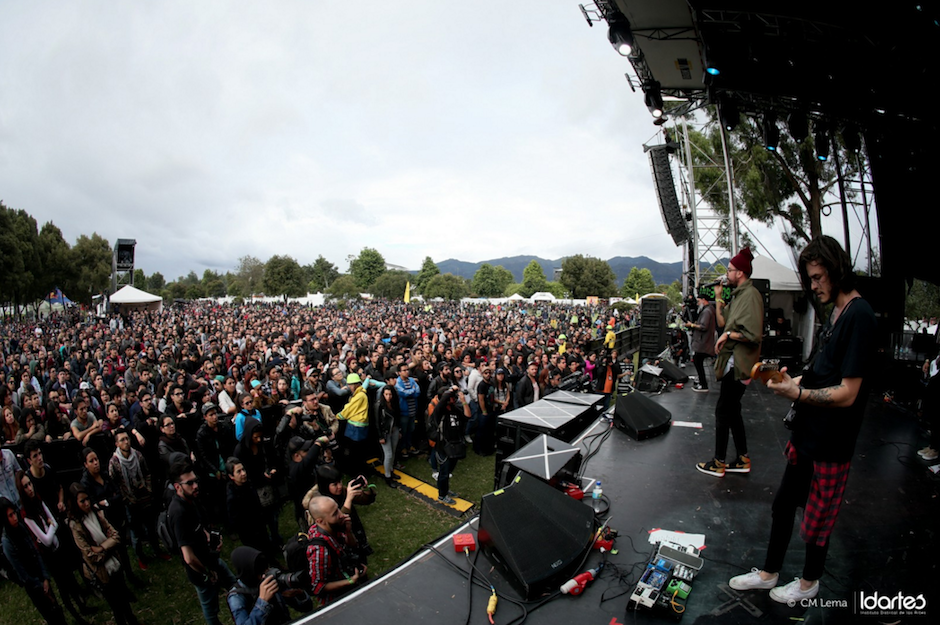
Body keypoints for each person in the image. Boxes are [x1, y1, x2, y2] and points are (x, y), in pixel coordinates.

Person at [728, 235, 877, 605]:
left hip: (831, 441)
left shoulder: (860, 315)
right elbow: (826, 373)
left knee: (817, 520)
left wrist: (798, 394)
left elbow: (848, 391)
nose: (812, 286)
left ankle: (810, 584)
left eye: (816, 277)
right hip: (808, 434)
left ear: (836, 269)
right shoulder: (838, 313)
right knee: (783, 505)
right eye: (809, 278)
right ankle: (768, 574)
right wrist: (796, 382)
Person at [696, 247, 764, 477]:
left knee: (723, 410)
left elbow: (753, 334)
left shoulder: (751, 296)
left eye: (731, 270)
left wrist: (728, 336)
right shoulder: (738, 295)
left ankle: (719, 461)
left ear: (741, 273)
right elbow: (723, 322)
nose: (728, 273)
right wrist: (718, 298)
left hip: (739, 364)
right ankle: (743, 458)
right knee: (733, 410)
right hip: (734, 363)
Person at [167, 459, 237, 625]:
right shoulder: (178, 513)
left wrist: (210, 537)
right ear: (178, 487)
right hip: (201, 571)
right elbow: (189, 557)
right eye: (189, 483)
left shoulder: (191, 500)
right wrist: (207, 573)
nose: (195, 486)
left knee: (234, 584)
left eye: (195, 481)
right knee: (210, 608)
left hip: (211, 559)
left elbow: (199, 525)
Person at [67, 483, 139, 625]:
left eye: (87, 499)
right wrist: (108, 547)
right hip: (101, 572)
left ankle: (132, 621)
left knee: (124, 599)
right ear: (75, 503)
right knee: (116, 605)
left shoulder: (97, 513)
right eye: (82, 501)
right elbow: (90, 555)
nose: (87, 503)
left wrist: (101, 548)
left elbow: (115, 535)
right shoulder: (76, 526)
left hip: (114, 563)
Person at [1, 495, 68, 625]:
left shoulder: (20, 527)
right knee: (51, 616)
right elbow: (21, 572)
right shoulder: (7, 542)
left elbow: (35, 552)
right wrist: (40, 584)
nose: (14, 518)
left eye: (14, 513)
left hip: (40, 575)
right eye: (10, 516)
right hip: (33, 585)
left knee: (58, 612)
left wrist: (45, 577)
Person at [305, 495, 367, 606]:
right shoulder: (319, 550)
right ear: (320, 521)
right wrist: (350, 581)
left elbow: (352, 546)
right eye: (334, 514)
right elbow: (318, 587)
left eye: (338, 508)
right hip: (337, 601)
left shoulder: (335, 526)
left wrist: (348, 531)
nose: (341, 514)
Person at [226, 546, 310, 625]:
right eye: (259, 572)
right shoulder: (236, 597)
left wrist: (299, 594)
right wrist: (262, 602)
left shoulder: (270, 578)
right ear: (248, 573)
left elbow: (306, 607)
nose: (264, 576)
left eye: (266, 569)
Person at [431, 388, 471, 505]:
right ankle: (442, 495)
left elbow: (467, 416)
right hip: (443, 447)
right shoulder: (439, 411)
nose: (454, 398)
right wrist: (451, 389)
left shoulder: (455, 409)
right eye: (451, 397)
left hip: (455, 446)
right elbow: (442, 400)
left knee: (448, 471)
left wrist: (463, 401)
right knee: (443, 472)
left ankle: (446, 490)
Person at [687, 289, 717, 393]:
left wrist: (691, 325)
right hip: (705, 341)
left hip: (703, 342)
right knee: (698, 360)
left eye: (699, 301)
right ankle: (702, 381)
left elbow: (704, 326)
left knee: (697, 360)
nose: (698, 303)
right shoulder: (710, 310)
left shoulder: (707, 311)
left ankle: (703, 384)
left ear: (704, 300)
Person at [374, 385, 401, 488]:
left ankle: (390, 470)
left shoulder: (395, 403)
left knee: (393, 452)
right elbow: (376, 422)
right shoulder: (379, 405)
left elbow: (397, 417)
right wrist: (380, 436)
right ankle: (388, 476)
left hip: (394, 430)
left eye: (390, 394)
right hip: (385, 432)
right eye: (386, 394)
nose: (388, 397)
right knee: (388, 454)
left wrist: (399, 430)